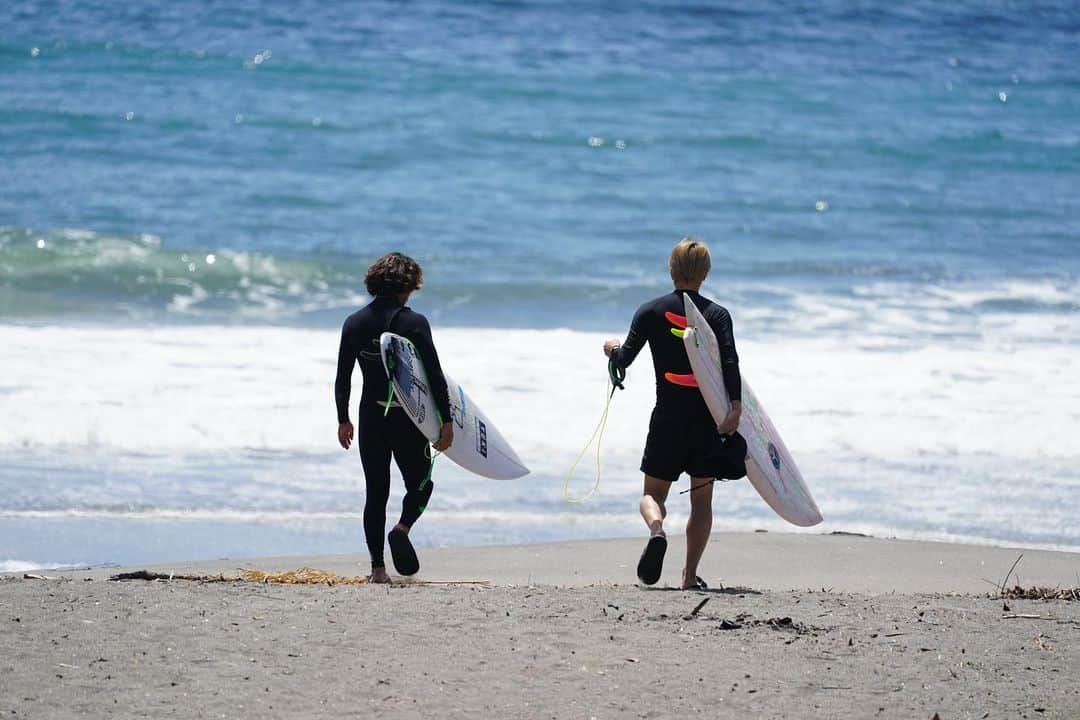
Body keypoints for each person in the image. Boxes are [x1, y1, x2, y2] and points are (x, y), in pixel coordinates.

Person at [603, 237, 746, 590]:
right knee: (701, 501)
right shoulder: (717, 315)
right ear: (706, 273)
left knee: (652, 495)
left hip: (667, 417)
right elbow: (730, 362)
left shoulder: (649, 311)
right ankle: (689, 576)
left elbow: (624, 360)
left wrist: (611, 350)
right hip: (707, 421)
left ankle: (656, 529)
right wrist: (736, 407)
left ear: (671, 269)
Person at [335, 252, 453, 583]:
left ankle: (377, 570)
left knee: (376, 492)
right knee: (421, 483)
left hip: (370, 415)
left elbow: (343, 376)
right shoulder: (414, 323)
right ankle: (402, 527)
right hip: (407, 420)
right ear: (408, 285)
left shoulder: (354, 323)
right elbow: (434, 375)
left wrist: (343, 419)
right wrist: (445, 421)